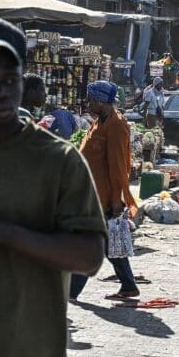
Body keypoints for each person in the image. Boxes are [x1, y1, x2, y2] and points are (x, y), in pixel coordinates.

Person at [0, 20, 106, 357]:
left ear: (22, 83)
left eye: (8, 79)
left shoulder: (59, 161)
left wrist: (5, 235)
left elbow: (90, 256)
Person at [70, 79, 141, 301]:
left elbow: (119, 166)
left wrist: (116, 200)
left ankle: (70, 291)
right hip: (92, 194)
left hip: (102, 197)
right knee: (107, 242)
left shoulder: (116, 125)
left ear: (101, 101)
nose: (88, 103)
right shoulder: (100, 121)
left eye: (92, 99)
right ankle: (128, 285)